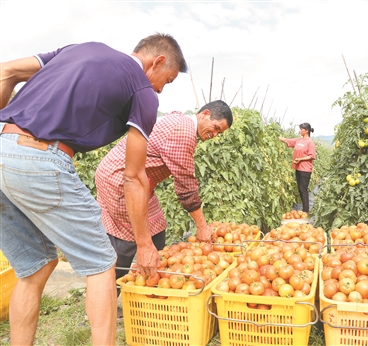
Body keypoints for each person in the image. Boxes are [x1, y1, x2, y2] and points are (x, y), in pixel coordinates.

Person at [0, 33, 186, 345]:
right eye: (164, 81)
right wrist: (143, 244)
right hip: (44, 158)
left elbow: (5, 71)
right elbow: (134, 177)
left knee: (34, 268)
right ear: (157, 62)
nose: (159, 89)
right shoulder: (143, 91)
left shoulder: (78, 49)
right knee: (102, 264)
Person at [95, 100, 233, 287]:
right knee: (126, 240)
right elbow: (186, 186)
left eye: (219, 133)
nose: (214, 134)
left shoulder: (181, 121)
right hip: (120, 181)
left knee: (156, 230)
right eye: (215, 127)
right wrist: (202, 226)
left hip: (139, 182)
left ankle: (153, 283)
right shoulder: (183, 132)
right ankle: (109, 296)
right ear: (205, 113)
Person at [279, 123, 317, 213]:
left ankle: (306, 210)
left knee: (303, 189)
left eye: (301, 129)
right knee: (300, 189)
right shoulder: (298, 140)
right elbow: (287, 140)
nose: (300, 131)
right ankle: (305, 209)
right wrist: (277, 136)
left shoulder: (310, 142)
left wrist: (300, 159)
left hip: (305, 169)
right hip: (298, 168)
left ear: (306, 130)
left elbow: (312, 156)